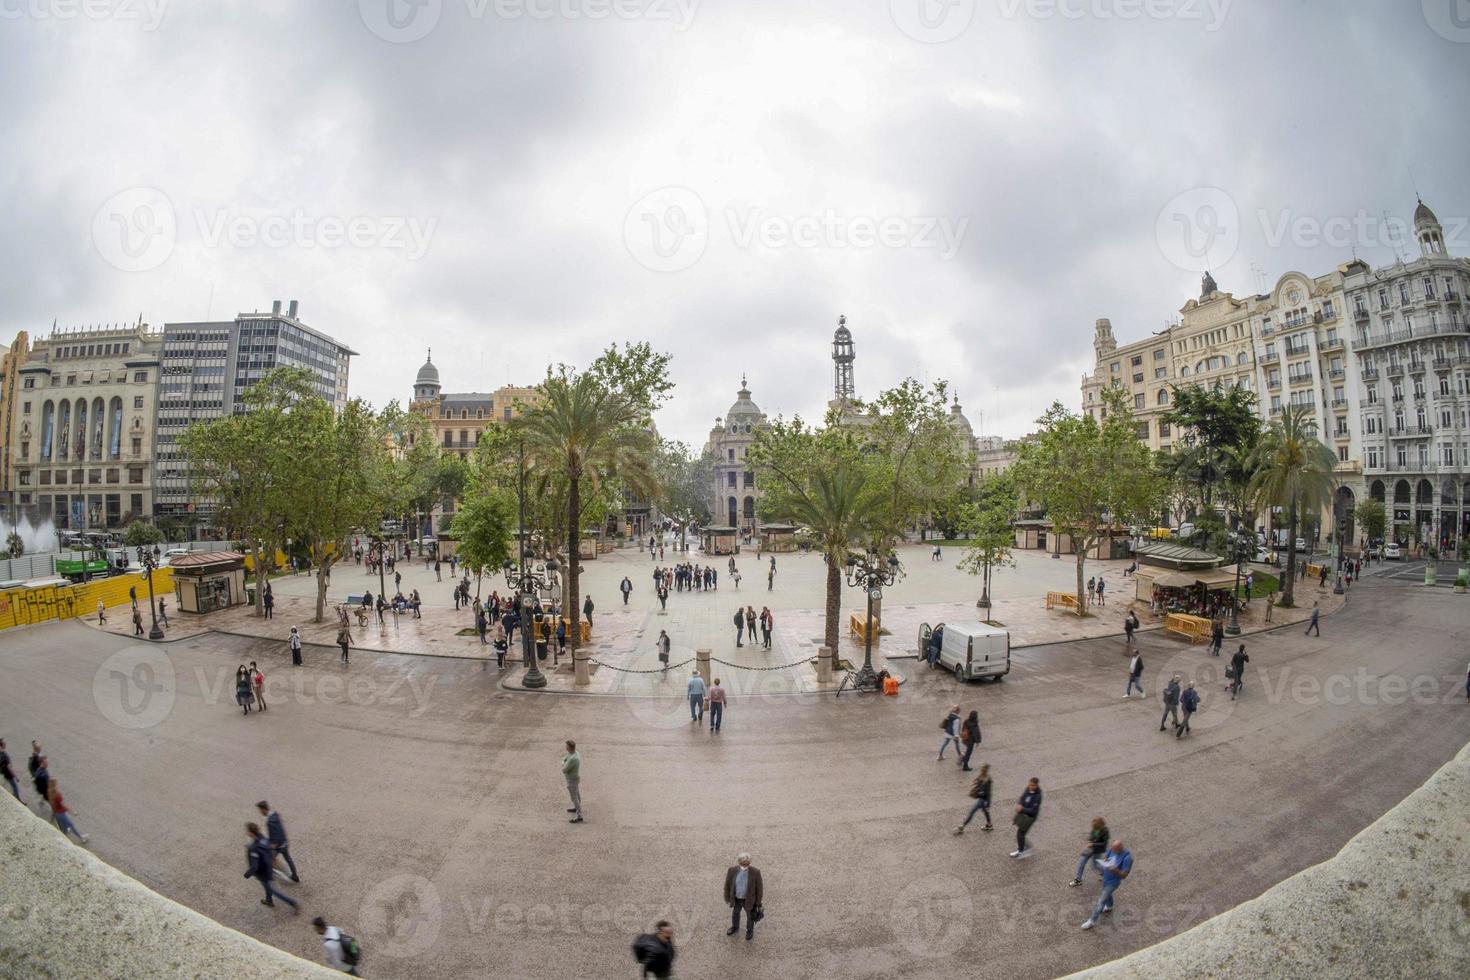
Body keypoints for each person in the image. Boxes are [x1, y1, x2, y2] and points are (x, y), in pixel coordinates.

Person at [1081, 839, 1133, 930]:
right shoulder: (1112, 850)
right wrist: (1105, 861)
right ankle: (1109, 906)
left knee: (1101, 900)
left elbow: (1124, 875)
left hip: (1113, 882)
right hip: (1106, 878)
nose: (1112, 850)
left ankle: (1092, 921)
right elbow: (1107, 857)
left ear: (1120, 848)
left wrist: (1115, 870)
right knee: (1107, 894)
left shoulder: (1127, 858)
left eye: (1114, 849)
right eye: (1112, 848)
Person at [244, 822, 297, 910]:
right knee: (267, 886)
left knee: (274, 890)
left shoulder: (253, 848)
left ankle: (292, 902)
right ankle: (269, 900)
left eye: (248, 831)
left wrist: (247, 874)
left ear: (251, 833)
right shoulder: (263, 838)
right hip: (269, 867)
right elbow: (270, 849)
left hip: (263, 873)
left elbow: (254, 866)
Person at [723, 853, 764, 941]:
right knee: (735, 913)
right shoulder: (732, 870)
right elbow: (728, 885)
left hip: (748, 900)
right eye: (744, 860)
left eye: (748, 860)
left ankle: (749, 931)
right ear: (739, 861)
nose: (746, 862)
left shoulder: (755, 872)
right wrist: (727, 897)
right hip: (737, 899)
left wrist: (758, 902)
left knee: (750, 916)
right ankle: (735, 927)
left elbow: (759, 889)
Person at [257, 801, 300, 882]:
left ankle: (269, 875)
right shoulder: (275, 815)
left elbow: (274, 835)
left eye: (260, 810)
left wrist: (273, 846)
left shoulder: (270, 822)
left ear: (263, 809)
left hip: (277, 846)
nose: (260, 812)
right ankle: (295, 875)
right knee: (288, 859)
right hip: (284, 842)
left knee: (269, 858)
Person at [953, 762, 993, 834]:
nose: (981, 770)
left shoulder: (988, 780)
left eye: (982, 769)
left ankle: (963, 826)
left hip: (983, 800)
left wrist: (988, 803)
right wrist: (974, 783)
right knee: (985, 812)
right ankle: (989, 825)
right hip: (981, 799)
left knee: (973, 811)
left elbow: (989, 793)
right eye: (982, 769)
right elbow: (978, 781)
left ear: (985, 770)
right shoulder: (981, 776)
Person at [1070, 817, 1109, 886]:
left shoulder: (1105, 831)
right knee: (1081, 862)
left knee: (1095, 866)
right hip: (1090, 848)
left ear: (1100, 825)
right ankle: (1078, 879)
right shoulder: (1095, 828)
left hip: (1098, 850)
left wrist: (1093, 844)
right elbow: (1092, 836)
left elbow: (1104, 844)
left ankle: (1106, 874)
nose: (1094, 828)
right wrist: (1090, 840)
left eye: (1096, 827)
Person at [47, 777, 88, 844]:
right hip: (61, 814)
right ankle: (81, 838)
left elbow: (52, 804)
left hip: (57, 814)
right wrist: (73, 812)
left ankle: (63, 841)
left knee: (64, 829)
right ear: (54, 785)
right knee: (71, 826)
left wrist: (53, 815)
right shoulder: (58, 795)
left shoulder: (49, 792)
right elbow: (63, 805)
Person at [1011, 777, 1042, 858]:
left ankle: (1021, 851)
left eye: (1032, 785)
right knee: (1020, 833)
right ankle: (1026, 847)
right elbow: (1022, 797)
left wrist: (1022, 808)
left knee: (1020, 834)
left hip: (1030, 817)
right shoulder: (1027, 789)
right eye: (1030, 784)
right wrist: (1019, 804)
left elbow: (1033, 811)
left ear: (1036, 785)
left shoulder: (1038, 796)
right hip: (1023, 813)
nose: (1030, 787)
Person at [563, 740, 583, 824]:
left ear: (570, 748)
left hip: (571, 779)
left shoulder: (572, 759)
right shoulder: (576, 753)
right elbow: (564, 758)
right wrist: (564, 761)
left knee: (574, 797)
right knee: (577, 794)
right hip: (576, 777)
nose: (565, 747)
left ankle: (579, 816)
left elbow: (564, 770)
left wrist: (563, 763)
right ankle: (577, 808)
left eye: (567, 746)